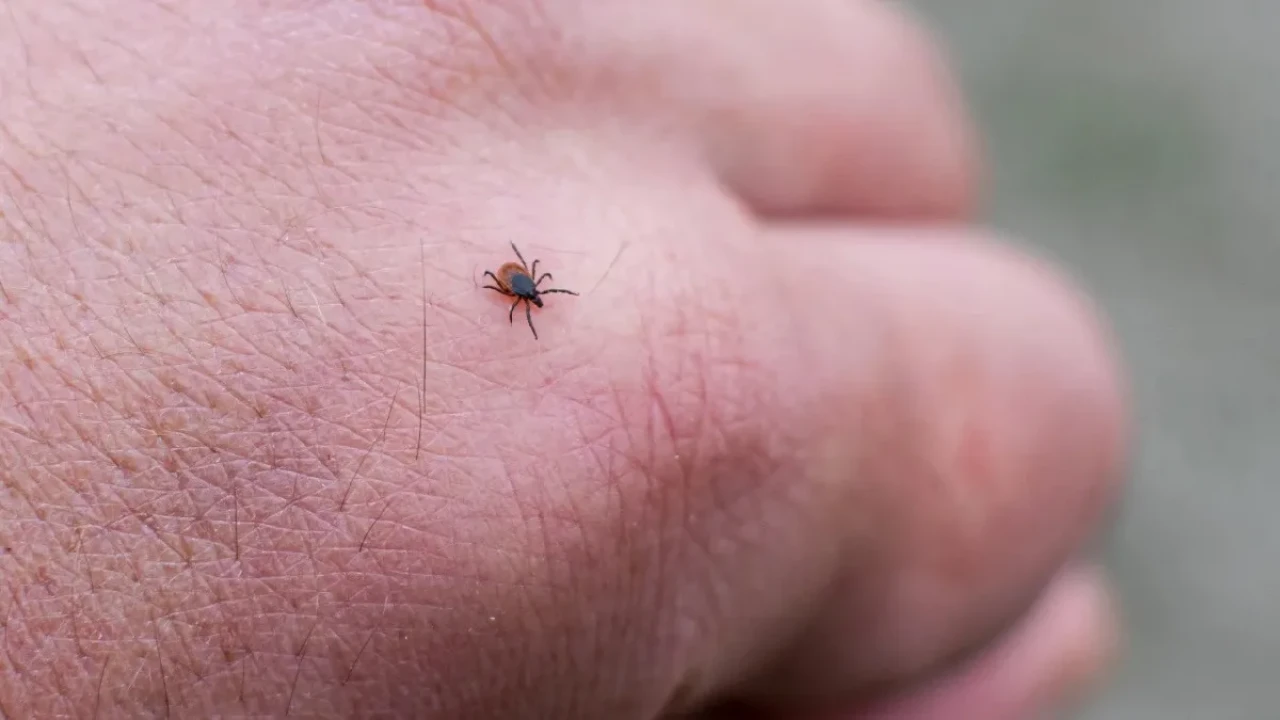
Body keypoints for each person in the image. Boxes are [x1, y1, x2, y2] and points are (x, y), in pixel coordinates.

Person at [0, 1, 1127, 717]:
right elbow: (511, 285)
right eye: (520, 286)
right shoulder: (514, 288)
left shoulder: (518, 285)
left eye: (522, 286)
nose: (522, 292)